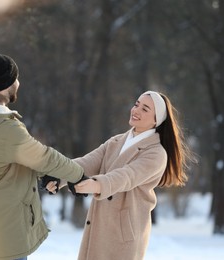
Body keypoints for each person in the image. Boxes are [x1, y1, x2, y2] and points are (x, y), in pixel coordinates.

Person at [0, 53, 86, 260]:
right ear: (8, 84)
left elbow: (10, 157)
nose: (19, 83)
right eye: (16, 78)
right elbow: (45, 157)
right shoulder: (6, 130)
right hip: (8, 224)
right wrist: (79, 175)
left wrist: (46, 175)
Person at [45, 90, 193, 260]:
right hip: (99, 224)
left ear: (156, 120)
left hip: (123, 233)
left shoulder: (157, 153)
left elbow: (127, 176)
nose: (136, 110)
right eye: (136, 104)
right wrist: (60, 176)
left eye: (145, 109)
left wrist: (96, 184)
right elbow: (88, 162)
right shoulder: (116, 141)